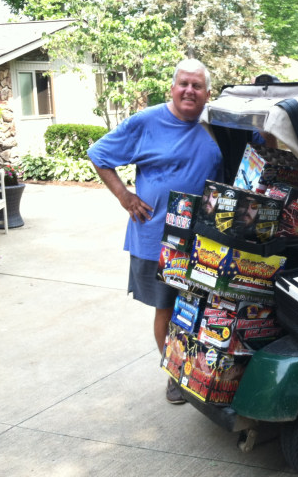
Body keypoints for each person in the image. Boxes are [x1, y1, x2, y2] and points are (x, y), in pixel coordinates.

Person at [88, 58, 223, 404]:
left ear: (208, 94)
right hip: (156, 238)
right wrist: (124, 196)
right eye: (184, 84)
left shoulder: (217, 124)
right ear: (172, 89)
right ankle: (175, 373)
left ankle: (201, 369)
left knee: (201, 309)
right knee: (168, 309)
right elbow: (99, 153)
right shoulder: (146, 122)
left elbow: (262, 141)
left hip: (205, 240)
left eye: (197, 86)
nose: (189, 91)